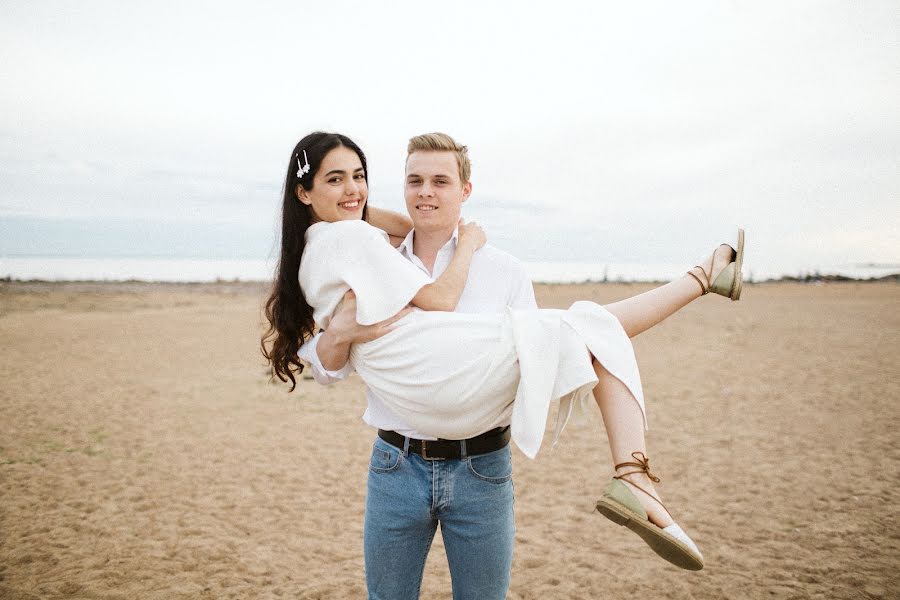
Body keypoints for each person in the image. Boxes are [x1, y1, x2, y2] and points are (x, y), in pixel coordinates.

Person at [262, 132, 744, 589]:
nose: (423, 193)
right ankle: (700, 287)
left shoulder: (499, 269)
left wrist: (354, 208)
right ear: (304, 192)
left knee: (590, 331)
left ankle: (638, 467)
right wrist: (340, 333)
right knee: (595, 327)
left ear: (465, 190)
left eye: (439, 182)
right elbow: (331, 367)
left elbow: (529, 373)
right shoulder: (369, 250)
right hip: (398, 464)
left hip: (481, 467)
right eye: (414, 181)